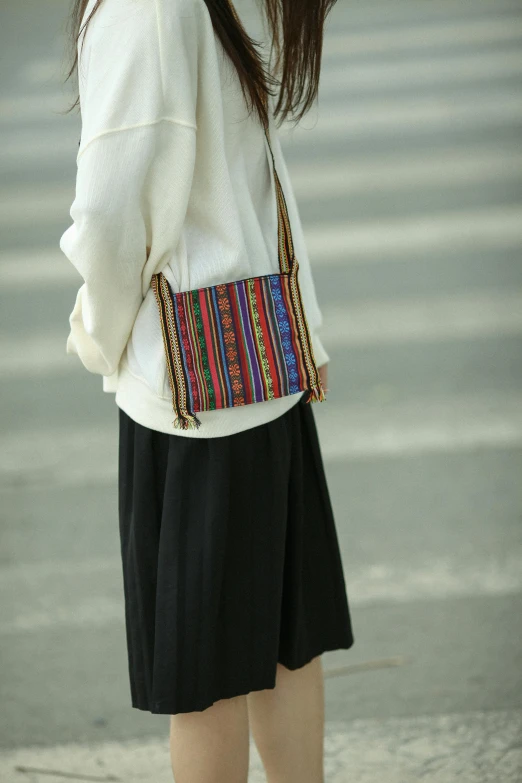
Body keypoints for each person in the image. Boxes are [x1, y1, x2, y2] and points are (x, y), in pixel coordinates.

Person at [61, 0, 354, 780]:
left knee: (208, 680)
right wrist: (306, 327)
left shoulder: (142, 8)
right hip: (258, 360)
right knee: (286, 644)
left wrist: (99, 333)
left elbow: (110, 213)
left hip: (194, 391)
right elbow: (260, 185)